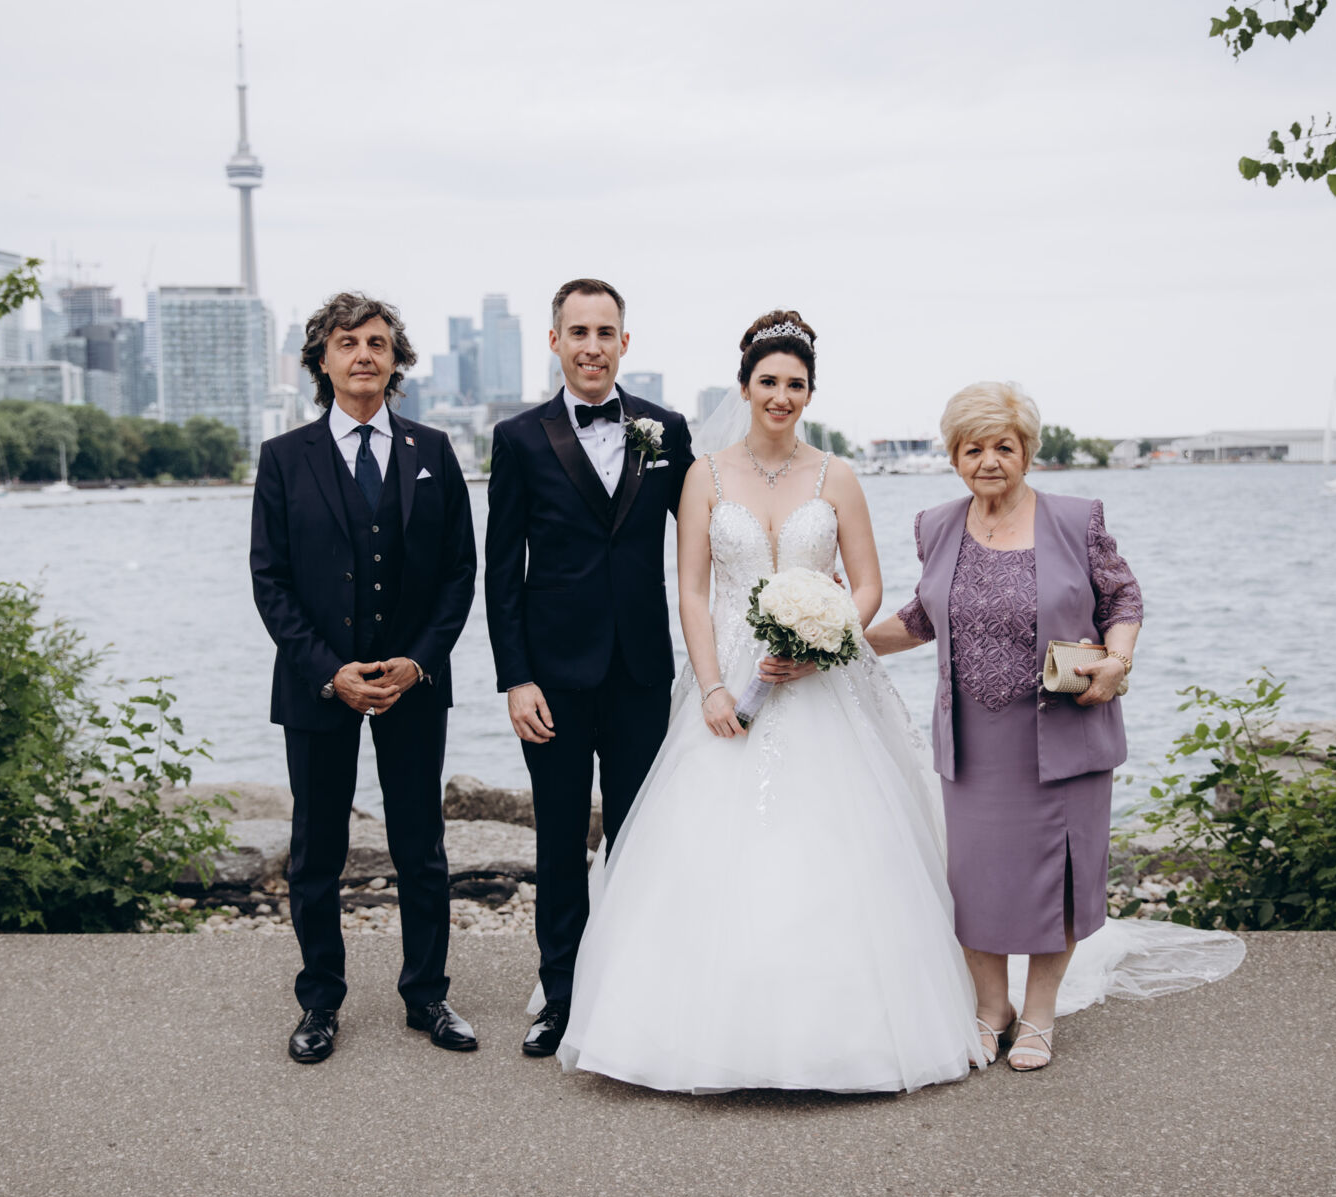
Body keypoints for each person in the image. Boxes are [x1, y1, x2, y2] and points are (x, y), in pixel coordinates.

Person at [556, 311, 988, 1093]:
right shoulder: (705, 475)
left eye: (795, 383)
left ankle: (851, 1032)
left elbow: (867, 585)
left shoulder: (837, 477)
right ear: (745, 387)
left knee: (843, 839)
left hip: (822, 682)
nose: (781, 396)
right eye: (768, 382)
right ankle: (690, 1029)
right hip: (729, 676)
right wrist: (713, 685)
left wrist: (826, 637)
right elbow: (691, 590)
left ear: (810, 392)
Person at [865, 381, 1229, 1070]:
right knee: (975, 879)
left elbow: (1123, 597)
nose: (989, 461)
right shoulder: (935, 525)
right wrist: (840, 643)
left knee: (1055, 877)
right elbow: (921, 618)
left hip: (1064, 731)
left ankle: (1038, 1013)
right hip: (973, 741)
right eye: (974, 449)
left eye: (1004, 447)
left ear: (1027, 451)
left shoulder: (1074, 519)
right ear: (954, 456)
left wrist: (1118, 661)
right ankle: (990, 1007)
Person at [250, 292, 478, 1065]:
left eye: (378, 343)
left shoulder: (433, 450)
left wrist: (420, 662)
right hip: (319, 685)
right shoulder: (284, 458)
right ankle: (319, 1002)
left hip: (413, 683)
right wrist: (330, 672)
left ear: (395, 359)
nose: (364, 355)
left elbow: (459, 573)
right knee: (317, 850)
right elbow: (270, 581)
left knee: (422, 847)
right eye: (347, 343)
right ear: (322, 359)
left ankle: (427, 996)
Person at [484, 278, 695, 1058]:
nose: (593, 346)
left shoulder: (666, 429)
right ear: (555, 342)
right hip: (552, 680)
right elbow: (501, 572)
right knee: (560, 840)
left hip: (641, 672)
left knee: (641, 838)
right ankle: (561, 999)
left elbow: (709, 532)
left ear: (624, 343)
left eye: (606, 332)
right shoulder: (519, 438)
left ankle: (640, 995)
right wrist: (516, 678)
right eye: (579, 332)